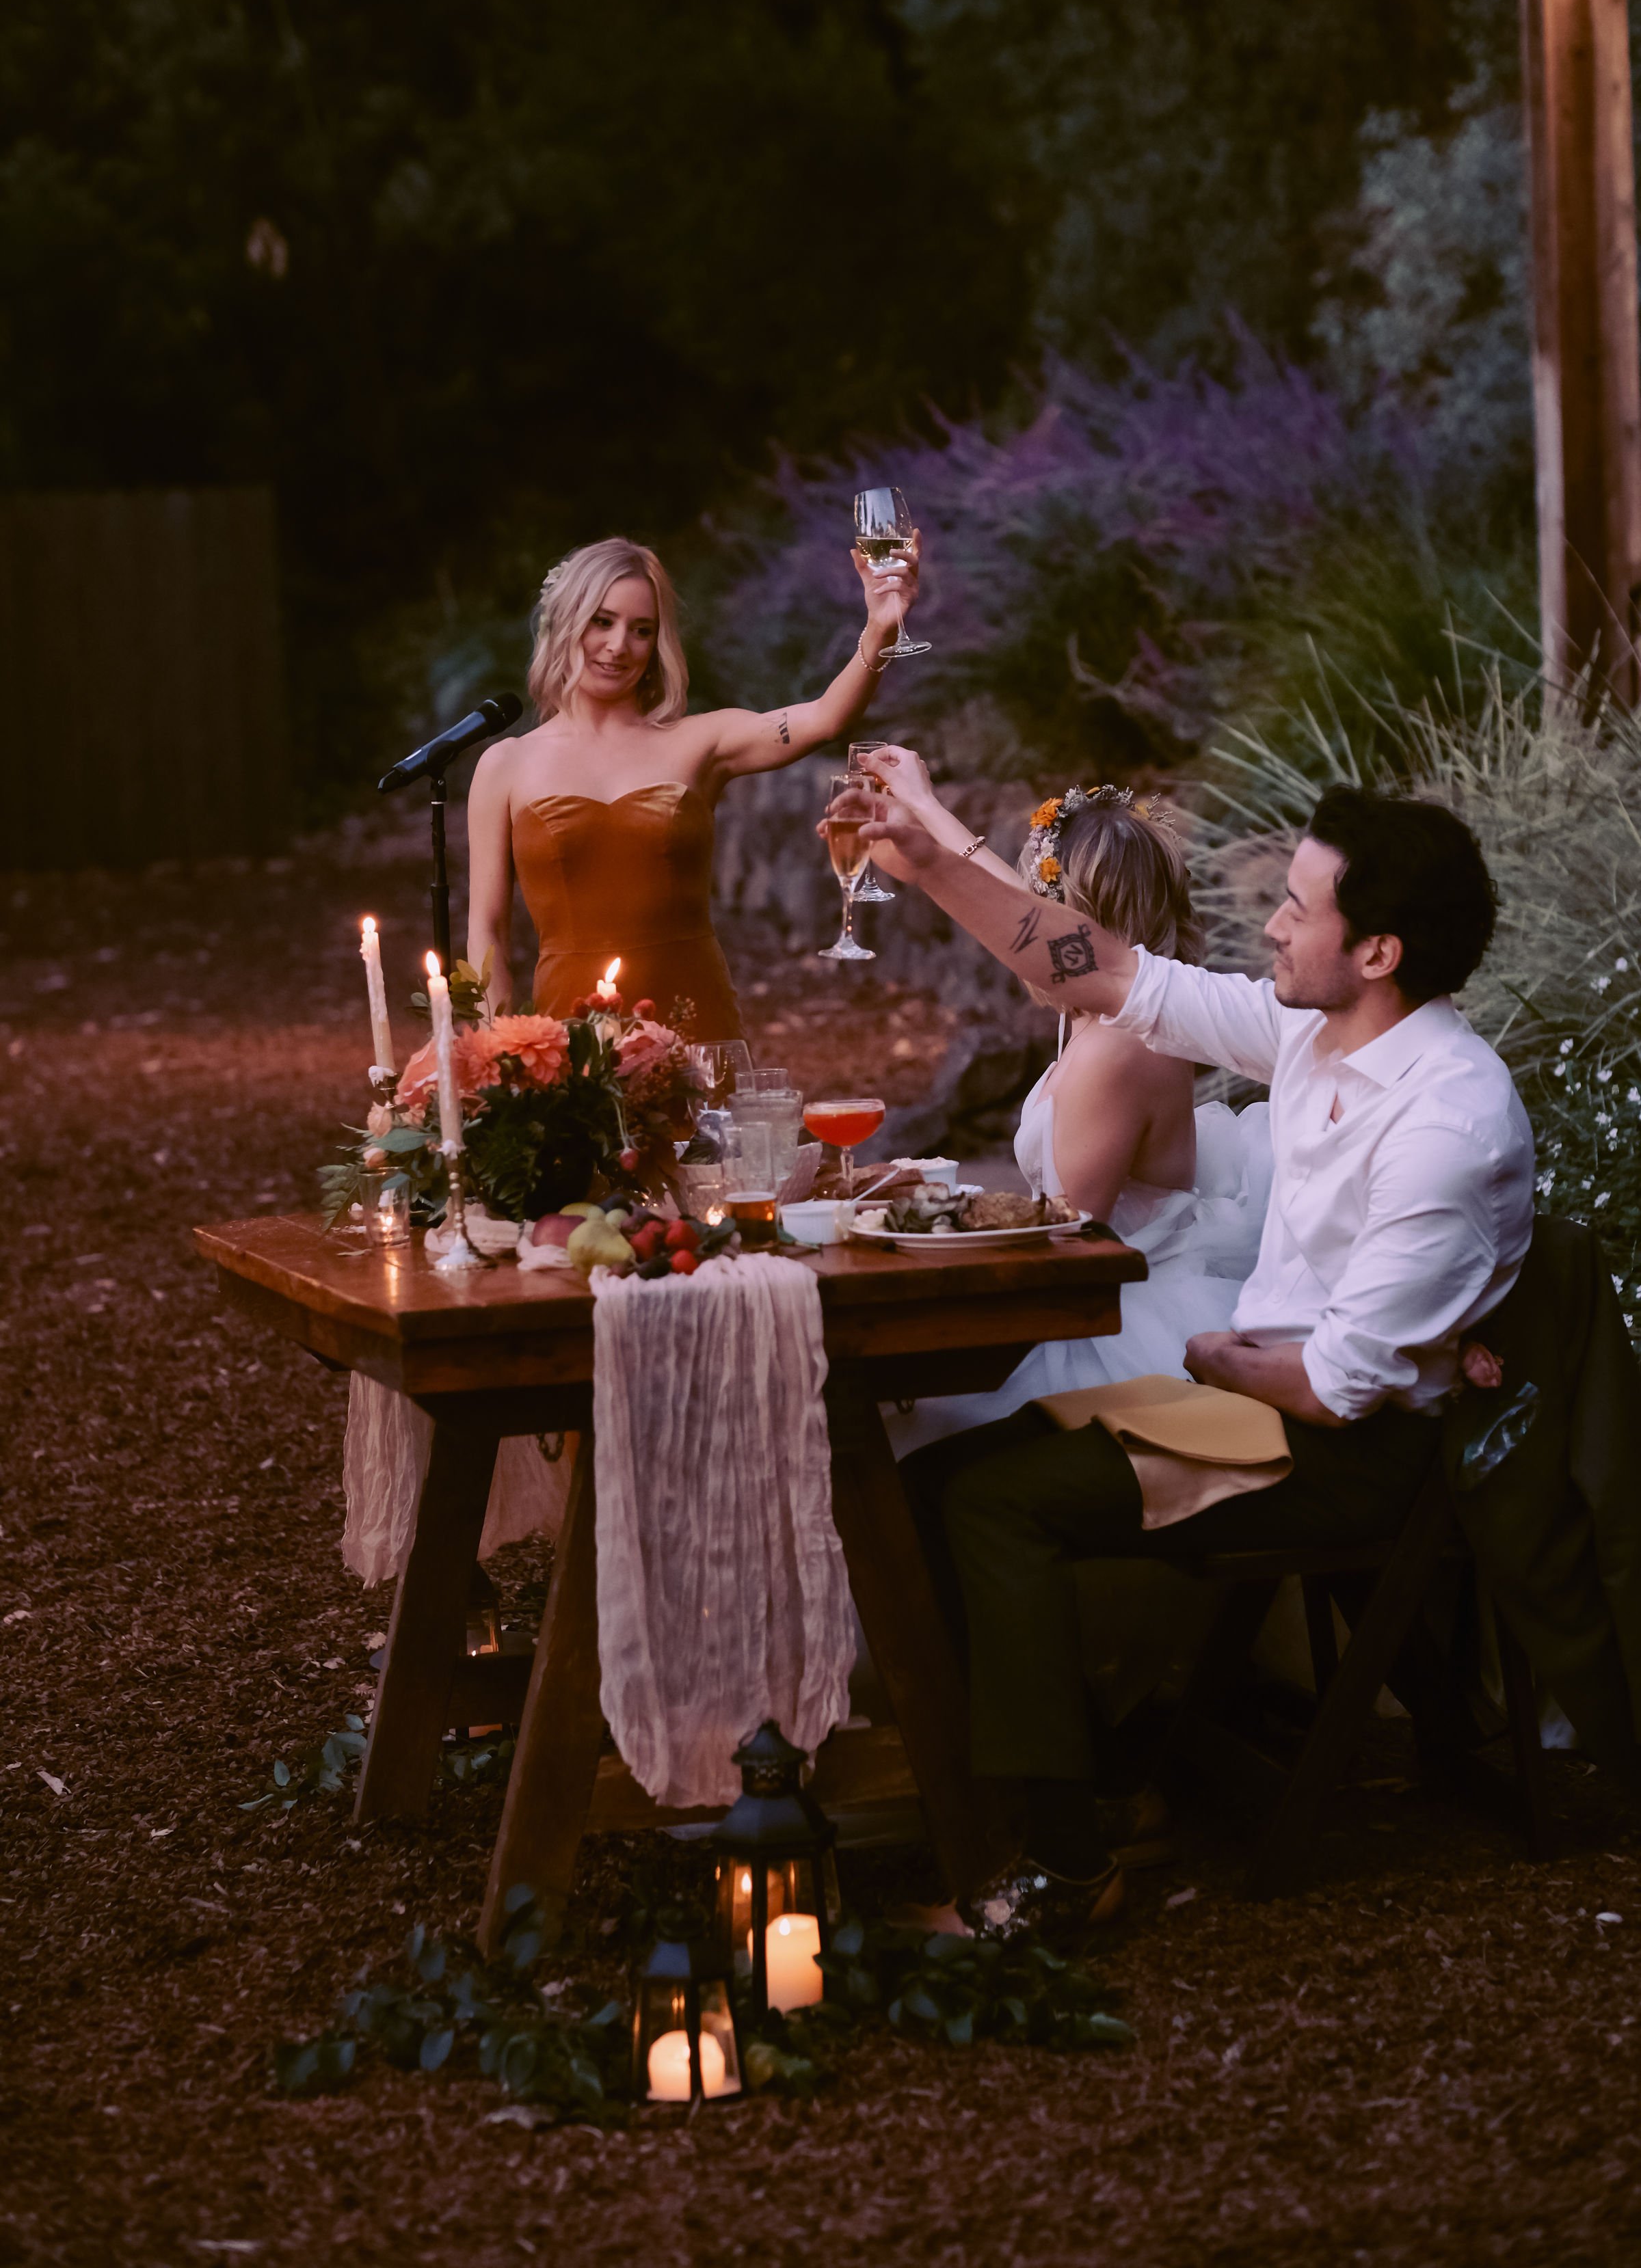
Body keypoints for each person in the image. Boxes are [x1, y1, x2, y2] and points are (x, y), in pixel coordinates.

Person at [854, 776, 1535, 1906]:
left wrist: (1212, 1353)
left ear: (1377, 952)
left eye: (1299, 905)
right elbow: (1108, 970)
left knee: (995, 1503)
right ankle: (1081, 1791)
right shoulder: (1314, 1035)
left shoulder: (1448, 1123)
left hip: (1332, 1451)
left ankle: (1066, 1868)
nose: (1269, 921)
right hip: (1253, 1399)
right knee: (933, 1476)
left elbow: (1334, 1388)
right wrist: (931, 864)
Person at [866, 756, 1272, 1456]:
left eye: (1038, 901)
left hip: (1114, 1326)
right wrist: (921, 802)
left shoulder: (1114, 1053)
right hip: (1097, 1290)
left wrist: (932, 1206)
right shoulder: (1115, 1019)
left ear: (1073, 921)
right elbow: (1011, 905)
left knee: (907, 1440)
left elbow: (1062, 1242)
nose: (1020, 914)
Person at [466, 532, 919, 1036]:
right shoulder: (505, 765)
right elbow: (487, 932)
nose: (619, 646)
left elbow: (826, 718)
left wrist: (880, 628)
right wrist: (496, 1059)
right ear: (567, 621)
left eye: (642, 630)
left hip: (696, 1025)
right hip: (567, 1038)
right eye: (603, 622)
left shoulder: (701, 741)